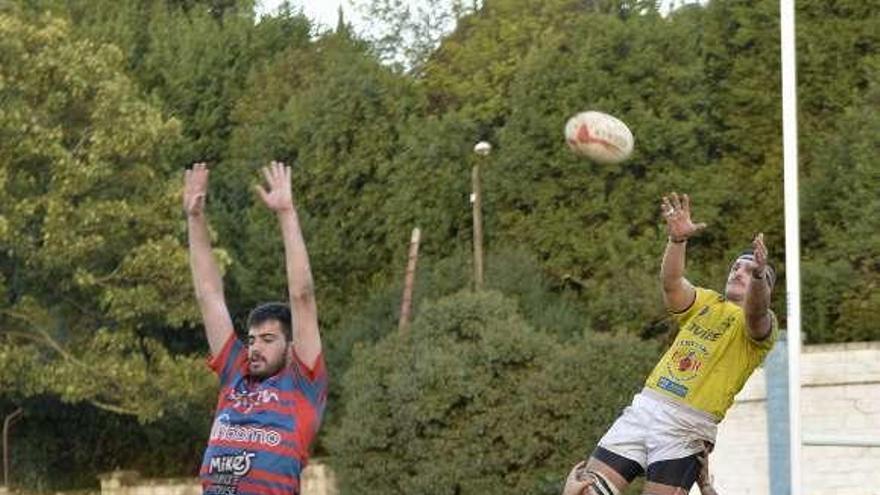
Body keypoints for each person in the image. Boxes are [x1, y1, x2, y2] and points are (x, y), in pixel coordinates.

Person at [563, 192, 777, 495]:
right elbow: (672, 284)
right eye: (736, 267)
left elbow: (756, 312)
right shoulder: (706, 301)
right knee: (583, 492)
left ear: (766, 288)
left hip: (686, 425)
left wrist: (757, 277)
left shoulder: (761, 327)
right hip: (646, 406)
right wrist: (677, 242)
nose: (740, 271)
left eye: (752, 271)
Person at [184, 161, 327, 495]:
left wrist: (287, 213)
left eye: (267, 339)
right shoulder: (236, 372)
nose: (255, 348)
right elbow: (208, 295)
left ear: (292, 347)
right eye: (251, 339)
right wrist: (194, 219)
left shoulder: (302, 385)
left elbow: (302, 296)